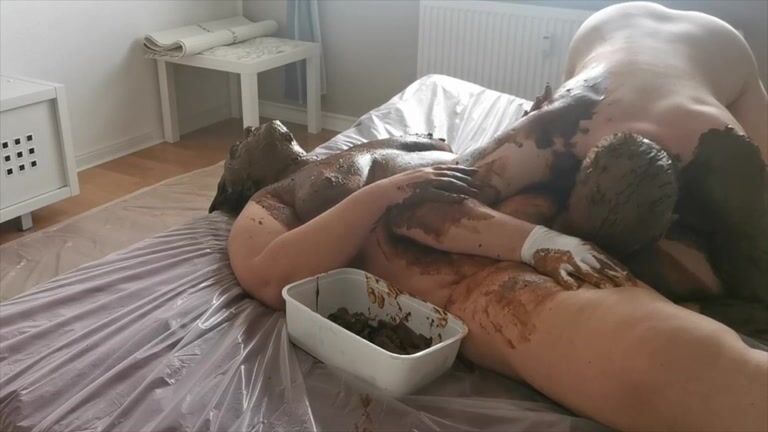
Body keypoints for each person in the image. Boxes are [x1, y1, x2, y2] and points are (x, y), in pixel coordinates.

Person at [212, 3, 768, 430]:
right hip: (487, 295)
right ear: (240, 182)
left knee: (694, 325)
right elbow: (270, 277)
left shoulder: (388, 144)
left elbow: (476, 176)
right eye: (237, 152)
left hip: (540, 241)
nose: (251, 135)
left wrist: (542, 188)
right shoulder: (274, 199)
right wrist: (381, 196)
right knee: (686, 369)